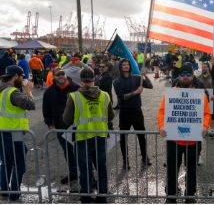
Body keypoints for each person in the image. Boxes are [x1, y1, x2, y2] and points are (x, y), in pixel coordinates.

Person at [157, 64, 211, 204]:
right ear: (179, 77)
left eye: (188, 74)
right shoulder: (171, 92)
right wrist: (161, 126)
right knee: (172, 169)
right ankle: (171, 194)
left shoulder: (200, 94)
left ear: (192, 76)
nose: (185, 77)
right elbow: (162, 111)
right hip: (174, 140)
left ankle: (190, 195)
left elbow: (206, 112)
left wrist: (205, 126)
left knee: (192, 170)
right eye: (183, 74)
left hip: (193, 140)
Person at [62, 68, 114, 203]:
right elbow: (111, 116)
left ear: (80, 80)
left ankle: (86, 196)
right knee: (101, 168)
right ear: (94, 79)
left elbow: (66, 120)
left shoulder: (74, 96)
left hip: (82, 138)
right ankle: (102, 196)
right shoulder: (105, 95)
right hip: (101, 137)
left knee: (85, 169)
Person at [0, 65, 35, 201]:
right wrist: (28, 91)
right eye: (22, 77)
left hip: (3, 131)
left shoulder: (3, 90)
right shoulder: (12, 92)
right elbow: (31, 105)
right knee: (19, 163)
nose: (23, 79)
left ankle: (4, 189)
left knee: (7, 161)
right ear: (15, 76)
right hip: (13, 132)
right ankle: (14, 193)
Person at [113, 59, 153, 170]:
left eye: (127, 64)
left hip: (137, 111)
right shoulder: (117, 82)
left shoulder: (136, 78)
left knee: (141, 135)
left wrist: (144, 76)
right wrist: (135, 92)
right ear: (120, 67)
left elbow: (150, 86)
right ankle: (125, 161)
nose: (126, 66)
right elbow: (122, 97)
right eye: (124, 64)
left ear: (130, 66)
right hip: (125, 112)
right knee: (123, 137)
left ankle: (145, 157)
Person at [42, 68, 80, 184]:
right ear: (53, 77)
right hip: (60, 127)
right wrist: (49, 123)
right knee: (68, 152)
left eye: (62, 74)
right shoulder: (49, 92)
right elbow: (46, 108)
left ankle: (89, 176)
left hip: (77, 126)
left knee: (82, 152)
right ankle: (73, 174)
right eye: (58, 75)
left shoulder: (76, 88)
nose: (61, 76)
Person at [197, 62, 214, 134]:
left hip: (212, 101)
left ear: (209, 67)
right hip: (202, 101)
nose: (203, 68)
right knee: (203, 115)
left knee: (212, 115)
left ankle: (212, 130)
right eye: (202, 67)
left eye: (205, 67)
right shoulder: (199, 78)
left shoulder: (213, 77)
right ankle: (205, 130)